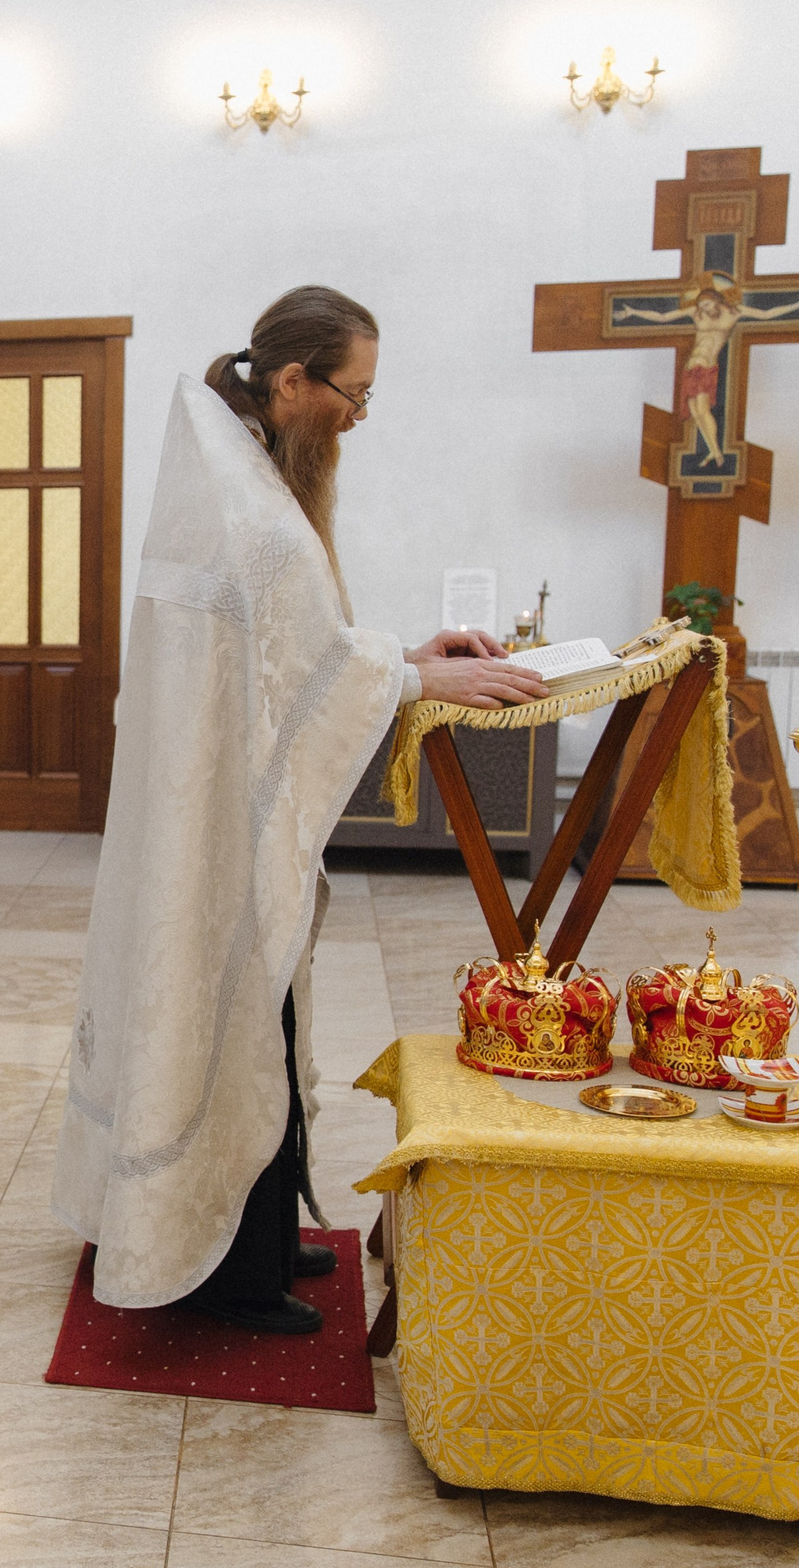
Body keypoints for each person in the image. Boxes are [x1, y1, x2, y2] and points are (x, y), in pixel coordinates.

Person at [53, 286, 546, 1333]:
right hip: (218, 827)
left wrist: (405, 661)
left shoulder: (240, 479)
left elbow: (289, 661)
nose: (360, 417)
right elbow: (299, 660)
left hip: (222, 813)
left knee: (257, 1010)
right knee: (239, 1011)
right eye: (352, 395)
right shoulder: (251, 513)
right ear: (290, 384)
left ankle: (262, 1237)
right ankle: (226, 1271)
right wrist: (416, 684)